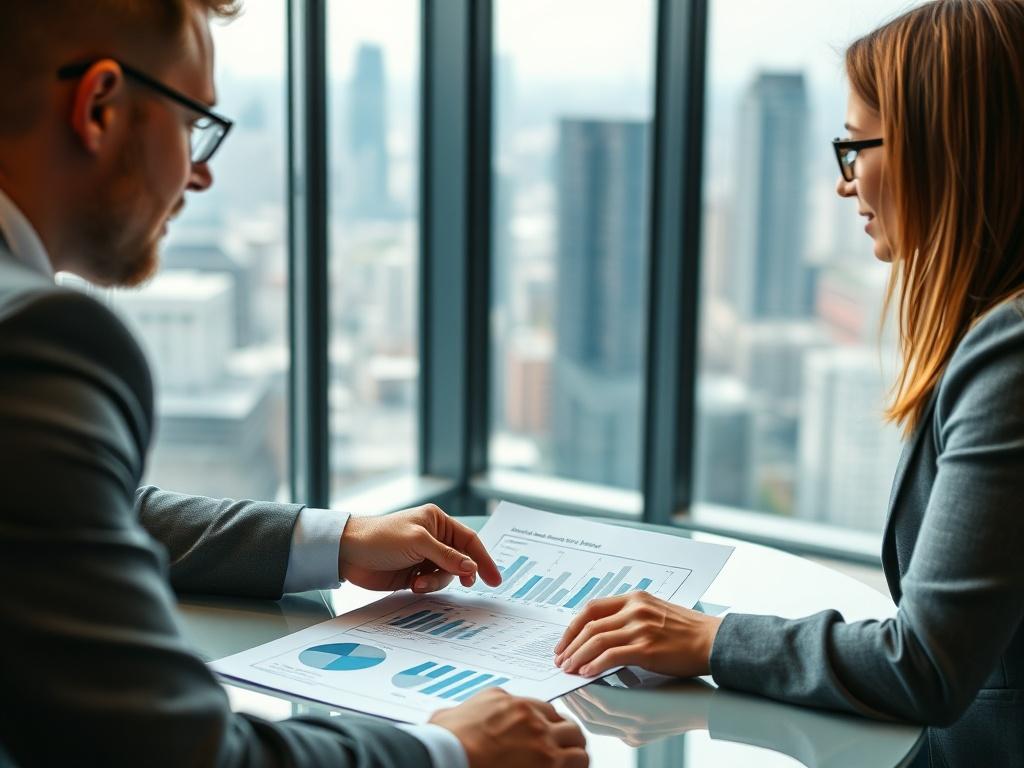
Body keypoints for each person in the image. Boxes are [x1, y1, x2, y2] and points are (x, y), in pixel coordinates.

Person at [0, 2, 589, 767]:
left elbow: (60, 519)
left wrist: (333, 541)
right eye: (191, 124)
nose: (201, 172)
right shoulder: (37, 339)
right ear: (100, 107)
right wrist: (450, 752)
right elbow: (170, 752)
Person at [553, 0, 1024, 764]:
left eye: (855, 149)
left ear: (940, 150)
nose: (846, 185)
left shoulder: (1012, 352)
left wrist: (709, 638)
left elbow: (928, 664)